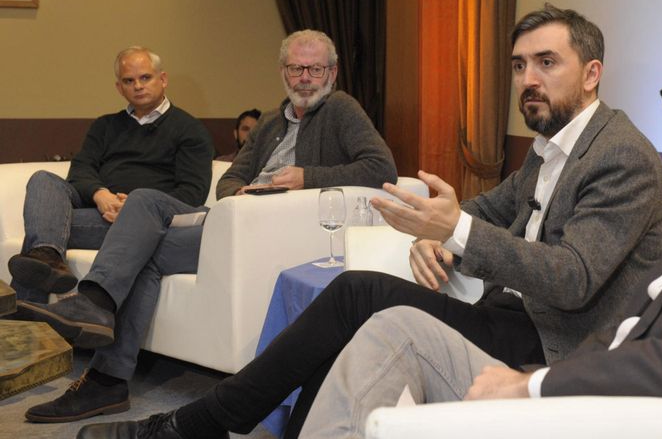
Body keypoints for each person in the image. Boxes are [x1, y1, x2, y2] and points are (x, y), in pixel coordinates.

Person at [282, 0, 662, 438]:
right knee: (391, 327)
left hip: (617, 416)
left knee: (386, 328)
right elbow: (639, 329)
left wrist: (535, 386)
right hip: (590, 388)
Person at [77, 5, 662, 438]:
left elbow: (572, 278)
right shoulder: (549, 150)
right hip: (510, 317)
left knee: (358, 295)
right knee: (354, 296)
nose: (528, 80)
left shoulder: (620, 154)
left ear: (591, 73)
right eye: (519, 66)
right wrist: (441, 232)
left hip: (555, 343)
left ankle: (198, 423)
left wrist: (454, 233)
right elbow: (486, 209)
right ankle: (210, 423)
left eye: (547, 63)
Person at [17, 30, 397, 425]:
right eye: (296, 68)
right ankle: (103, 362)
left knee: (144, 219)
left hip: (274, 230)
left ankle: (100, 350)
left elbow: (381, 167)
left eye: (314, 69)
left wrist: (306, 177)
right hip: (233, 222)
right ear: (283, 71)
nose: (304, 78)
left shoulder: (341, 110)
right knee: (143, 217)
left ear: (331, 73)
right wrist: (243, 193)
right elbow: (229, 180)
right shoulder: (271, 120)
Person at [8, 46, 213, 304]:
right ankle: (48, 256)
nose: (138, 86)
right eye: (129, 81)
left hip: (146, 220)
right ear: (119, 88)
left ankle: (22, 314)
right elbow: (80, 170)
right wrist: (100, 194)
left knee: (42, 232)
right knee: (43, 179)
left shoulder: (190, 130)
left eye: (145, 77)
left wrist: (137, 207)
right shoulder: (105, 126)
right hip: (98, 210)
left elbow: (192, 193)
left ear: (163, 79)